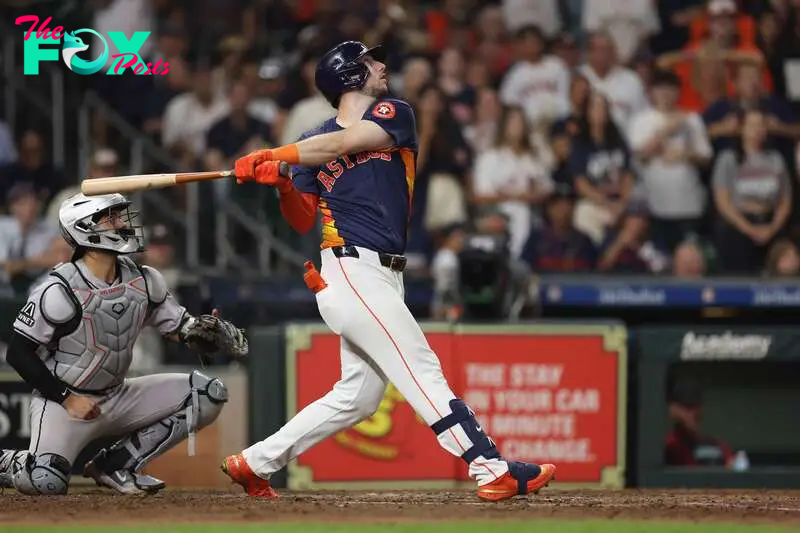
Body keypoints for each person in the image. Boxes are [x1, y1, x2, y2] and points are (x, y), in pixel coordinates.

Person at [222, 40, 557, 502]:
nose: (381, 65)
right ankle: (489, 466)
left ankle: (254, 462)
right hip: (349, 272)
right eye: (369, 61)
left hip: (384, 276)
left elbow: (343, 143)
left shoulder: (392, 114)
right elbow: (302, 217)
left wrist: (277, 155)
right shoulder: (311, 143)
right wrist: (281, 183)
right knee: (421, 367)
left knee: (357, 398)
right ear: (348, 75)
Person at [0, 192, 248, 495]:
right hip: (65, 403)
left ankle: (116, 465)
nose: (123, 223)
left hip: (120, 394)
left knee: (208, 394)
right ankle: (8, 463)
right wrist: (67, 398)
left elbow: (180, 328)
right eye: (112, 218)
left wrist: (201, 332)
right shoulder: (58, 288)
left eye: (120, 216)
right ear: (85, 228)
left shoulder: (145, 279)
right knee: (44, 482)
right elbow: (18, 353)